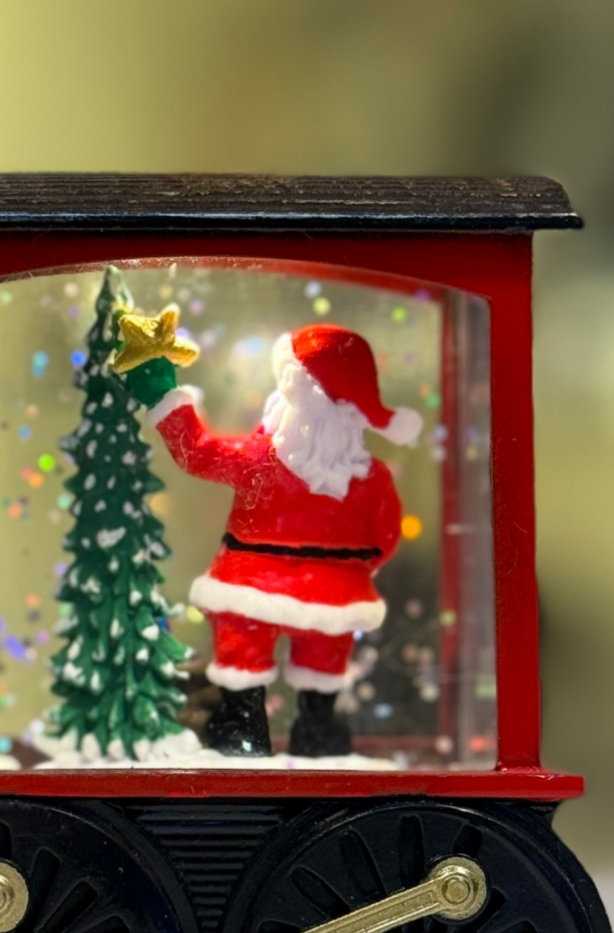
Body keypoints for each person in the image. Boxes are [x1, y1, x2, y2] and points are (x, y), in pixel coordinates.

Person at [114, 313, 422, 757]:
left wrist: (164, 395)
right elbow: (385, 537)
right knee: (322, 664)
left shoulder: (260, 459)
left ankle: (243, 732)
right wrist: (350, 570)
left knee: (243, 656)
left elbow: (197, 454)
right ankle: (316, 734)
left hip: (249, 584)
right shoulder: (371, 478)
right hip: (333, 592)